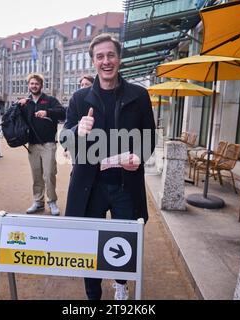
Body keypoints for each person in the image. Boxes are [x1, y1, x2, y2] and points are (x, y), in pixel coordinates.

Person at [61, 34, 156, 300]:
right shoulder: (80, 98)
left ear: (119, 58)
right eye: (100, 56)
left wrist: (138, 156)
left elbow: (149, 138)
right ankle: (93, 294)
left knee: (123, 240)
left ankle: (121, 284)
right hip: (90, 187)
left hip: (126, 185)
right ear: (93, 61)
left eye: (110, 55)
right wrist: (77, 130)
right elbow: (64, 138)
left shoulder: (139, 95)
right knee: (89, 243)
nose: (106, 61)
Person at [16, 73, 66, 216]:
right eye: (31, 83)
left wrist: (47, 112)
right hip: (32, 144)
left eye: (36, 83)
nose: (34, 86)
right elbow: (15, 119)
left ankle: (52, 202)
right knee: (36, 175)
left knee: (49, 174)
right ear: (28, 85)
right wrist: (18, 106)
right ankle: (38, 202)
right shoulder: (26, 103)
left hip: (48, 144)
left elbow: (63, 113)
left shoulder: (50, 100)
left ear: (41, 85)